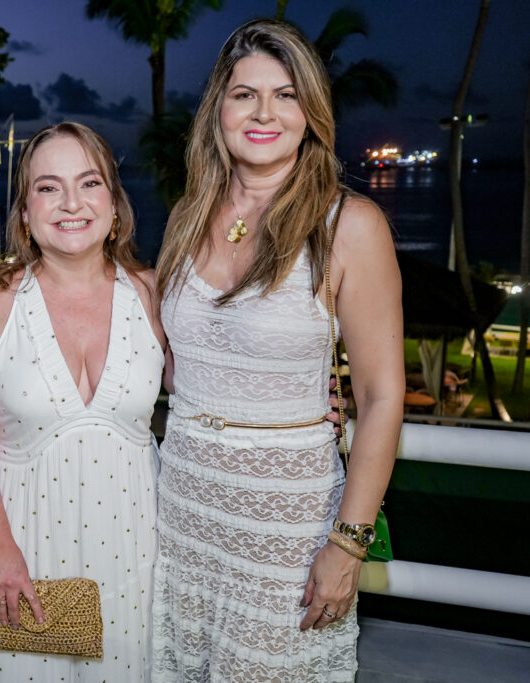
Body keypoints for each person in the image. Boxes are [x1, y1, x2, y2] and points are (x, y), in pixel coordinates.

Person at [150, 19, 404, 681]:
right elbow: (175, 365)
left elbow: (382, 397)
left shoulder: (349, 226)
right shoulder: (184, 217)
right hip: (180, 510)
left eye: (286, 95)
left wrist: (347, 544)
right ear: (219, 109)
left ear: (311, 114)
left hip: (288, 528)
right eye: (244, 94)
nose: (264, 112)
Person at [0, 122, 167, 681]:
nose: (71, 203)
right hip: (25, 544)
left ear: (114, 204)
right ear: (25, 212)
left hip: (138, 549)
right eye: (48, 188)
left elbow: (205, 397)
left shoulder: (153, 293)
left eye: (89, 183)